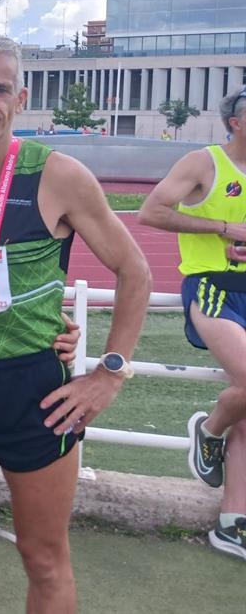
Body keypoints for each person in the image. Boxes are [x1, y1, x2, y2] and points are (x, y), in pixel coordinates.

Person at [0, 36, 151, 613]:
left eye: (0, 90)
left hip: (33, 391)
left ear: (20, 99)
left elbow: (134, 271)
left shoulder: (59, 175)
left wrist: (109, 372)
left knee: (43, 556)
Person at [139, 86, 246, 562]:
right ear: (236, 122)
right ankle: (210, 429)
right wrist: (222, 229)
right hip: (213, 287)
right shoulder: (205, 163)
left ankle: (232, 523)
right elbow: (152, 211)